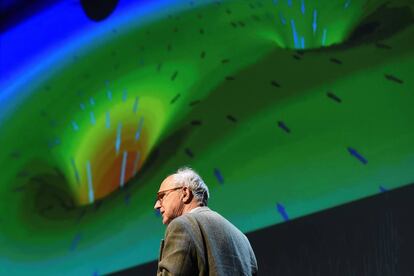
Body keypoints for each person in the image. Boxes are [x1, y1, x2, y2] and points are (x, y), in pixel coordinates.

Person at [154, 167, 258, 276]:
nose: (156, 205)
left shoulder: (182, 225)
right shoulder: (243, 239)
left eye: (162, 196)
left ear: (185, 193)